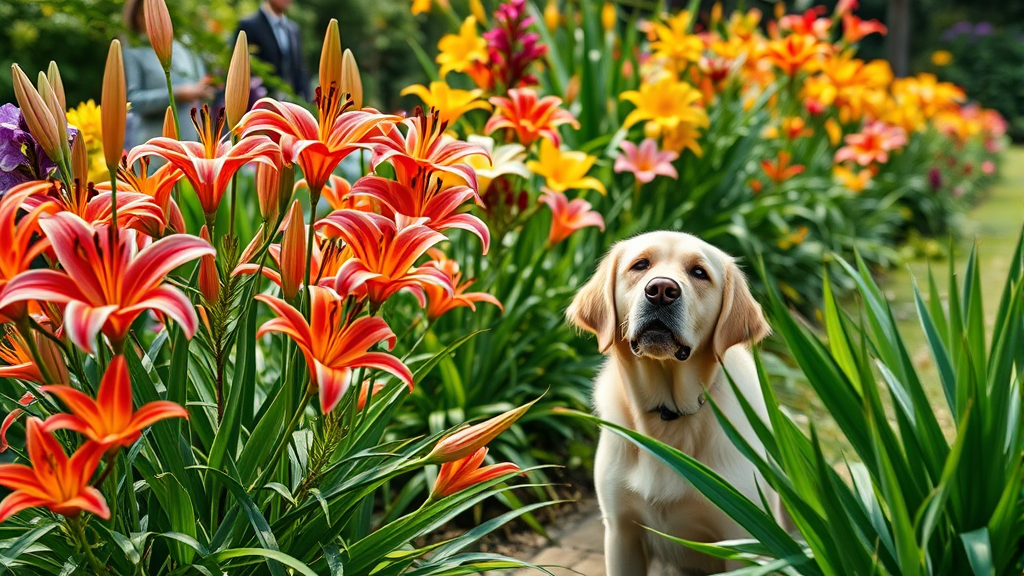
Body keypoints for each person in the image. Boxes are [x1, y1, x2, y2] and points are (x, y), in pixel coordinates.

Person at [122, 0, 212, 147]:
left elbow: (198, 82)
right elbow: (133, 101)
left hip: (189, 139)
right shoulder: (133, 53)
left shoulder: (181, 47)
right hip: (156, 147)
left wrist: (203, 89)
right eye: (144, 13)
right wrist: (177, 94)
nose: (152, 18)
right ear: (136, 17)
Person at [236, 0, 310, 101]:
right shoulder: (249, 26)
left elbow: (300, 70)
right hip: (260, 105)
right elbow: (239, 69)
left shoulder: (294, 29)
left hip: (290, 106)